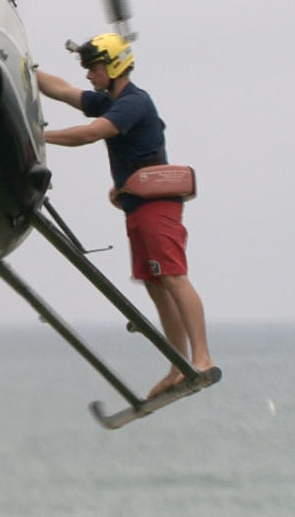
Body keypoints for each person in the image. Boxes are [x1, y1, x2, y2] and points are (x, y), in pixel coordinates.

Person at [35, 33, 215, 399]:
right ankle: (177, 365)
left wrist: (39, 137)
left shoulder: (133, 103)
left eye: (94, 68)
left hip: (157, 207)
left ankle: (202, 359)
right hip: (137, 209)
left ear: (114, 66)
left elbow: (91, 134)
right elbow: (64, 90)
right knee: (154, 282)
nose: (89, 76)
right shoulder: (109, 100)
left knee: (175, 277)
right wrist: (24, 67)